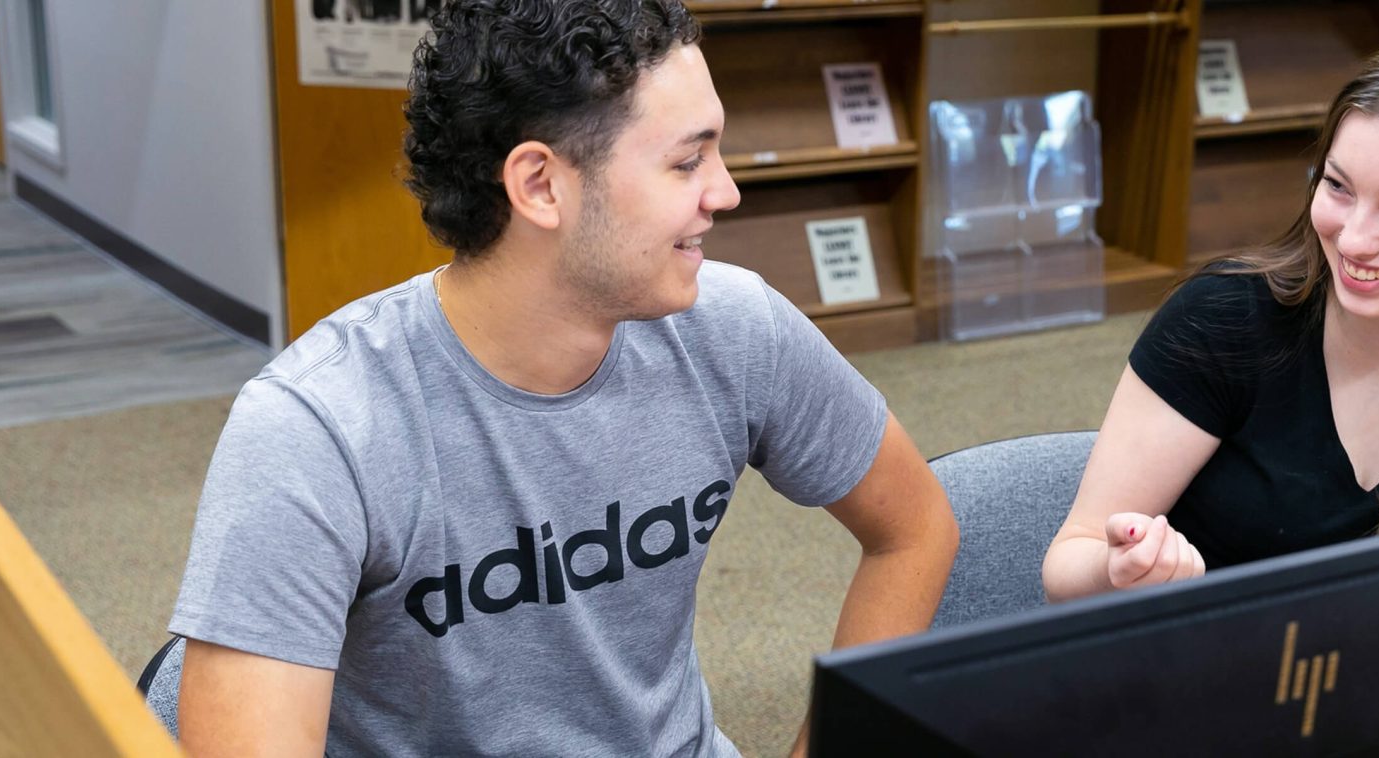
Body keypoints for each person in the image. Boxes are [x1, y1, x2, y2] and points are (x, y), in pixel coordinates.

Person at [168, 2, 959, 756]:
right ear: (540, 185)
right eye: (687, 161)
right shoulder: (319, 428)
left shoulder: (731, 326)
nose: (726, 192)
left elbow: (916, 528)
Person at [1042, 30, 1379, 601]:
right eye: (1337, 186)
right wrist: (1117, 570)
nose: (1353, 239)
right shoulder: (1224, 319)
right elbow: (1068, 563)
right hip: (1201, 673)